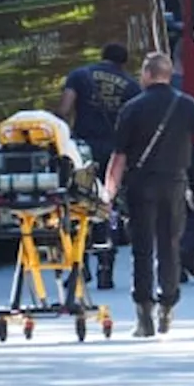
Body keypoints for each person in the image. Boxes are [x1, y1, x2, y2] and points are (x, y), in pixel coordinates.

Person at [104, 52, 194, 337]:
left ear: (146, 74)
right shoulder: (187, 105)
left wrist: (108, 193)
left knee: (142, 249)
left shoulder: (132, 108)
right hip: (175, 184)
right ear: (169, 75)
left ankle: (143, 315)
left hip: (141, 184)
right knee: (169, 247)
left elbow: (118, 158)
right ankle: (167, 308)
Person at [57, 43, 141, 290]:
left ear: (101, 57)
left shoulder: (80, 75)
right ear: (123, 62)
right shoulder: (132, 86)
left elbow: (64, 109)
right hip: (114, 151)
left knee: (77, 204)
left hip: (83, 151)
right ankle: (106, 267)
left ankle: (79, 263)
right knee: (107, 206)